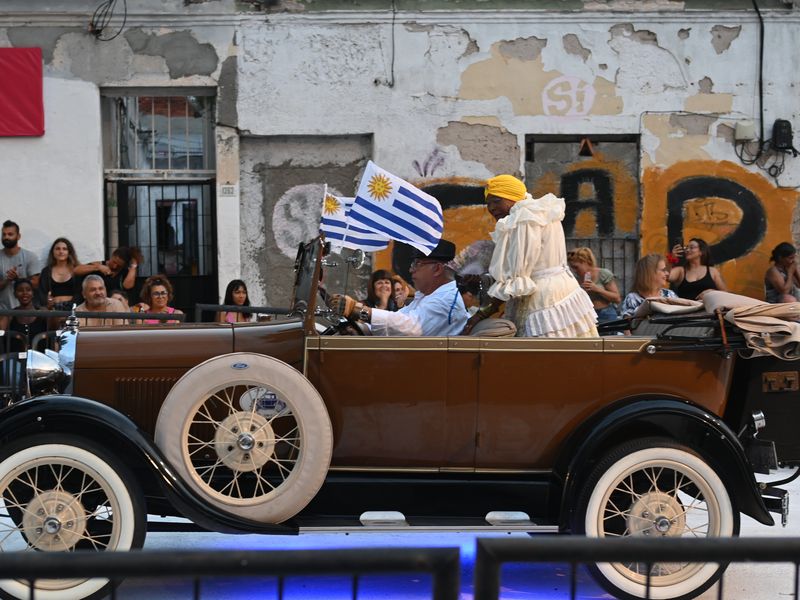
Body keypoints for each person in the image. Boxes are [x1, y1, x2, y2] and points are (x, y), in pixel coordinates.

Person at [464, 175, 597, 338]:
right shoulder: (540, 211)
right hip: (562, 288)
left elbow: (516, 279)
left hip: (542, 297)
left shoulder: (523, 219)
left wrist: (481, 315)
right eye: (488, 203)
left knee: (540, 356)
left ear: (512, 198)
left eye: (497, 201)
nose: (491, 208)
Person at [330, 239, 468, 336]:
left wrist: (358, 309)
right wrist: (361, 328)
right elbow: (397, 320)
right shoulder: (428, 296)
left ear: (437, 269)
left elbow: (409, 327)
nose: (411, 270)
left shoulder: (446, 300)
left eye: (417, 264)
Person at [567, 247, 621, 323]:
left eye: (576, 267)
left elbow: (617, 298)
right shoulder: (575, 279)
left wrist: (597, 289)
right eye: (572, 268)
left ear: (584, 262)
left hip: (605, 314)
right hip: (586, 314)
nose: (575, 271)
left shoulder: (603, 274)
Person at [37, 237, 89, 310]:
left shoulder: (77, 270)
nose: (61, 252)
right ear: (53, 252)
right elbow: (42, 293)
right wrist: (48, 301)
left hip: (74, 310)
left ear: (69, 252)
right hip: (53, 311)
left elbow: (80, 293)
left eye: (64, 249)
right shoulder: (46, 271)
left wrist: (69, 303)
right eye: (57, 249)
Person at [0, 220, 41, 310]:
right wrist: (7, 280)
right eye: (4, 234)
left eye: (10, 234)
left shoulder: (30, 257)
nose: (6, 237)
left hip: (24, 312)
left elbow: (36, 284)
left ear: (18, 236)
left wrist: (18, 279)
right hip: (2, 311)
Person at [0, 279, 49, 352]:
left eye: (28, 290)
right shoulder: (10, 315)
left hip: (40, 359)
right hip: (15, 360)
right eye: (20, 290)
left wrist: (51, 308)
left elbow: (54, 326)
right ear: (15, 294)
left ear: (33, 293)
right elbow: (1, 331)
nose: (24, 293)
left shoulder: (42, 312)